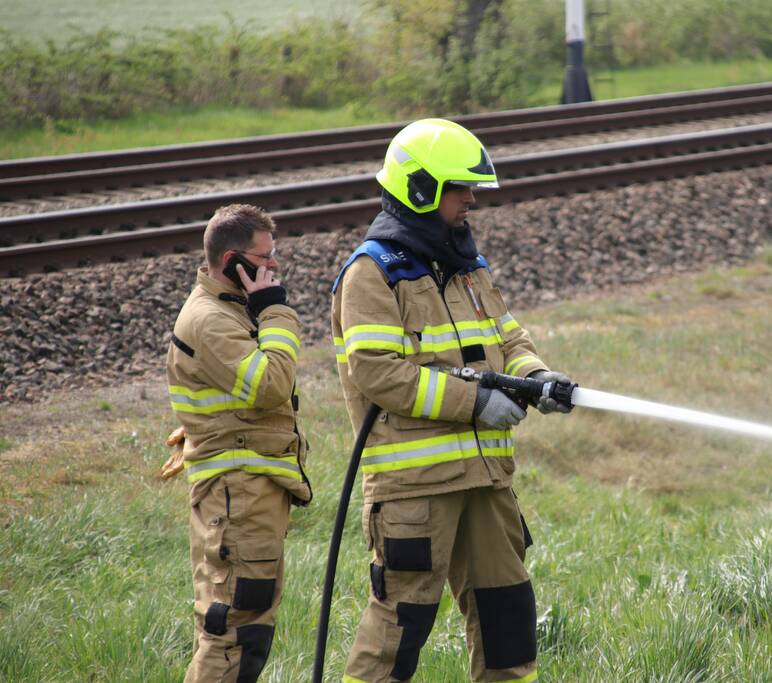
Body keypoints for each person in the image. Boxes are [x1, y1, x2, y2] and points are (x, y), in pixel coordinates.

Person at [330, 118, 572, 683]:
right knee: (401, 624)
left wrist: (537, 377)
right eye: (459, 188)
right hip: (417, 486)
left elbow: (508, 337)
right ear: (419, 190)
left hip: (485, 479)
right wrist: (475, 403)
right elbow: (378, 373)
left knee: (507, 619)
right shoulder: (372, 273)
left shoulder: (467, 265)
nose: (471, 201)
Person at [167, 203, 312, 682]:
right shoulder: (213, 320)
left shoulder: (229, 309)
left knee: (246, 627)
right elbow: (270, 383)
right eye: (264, 259)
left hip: (248, 492)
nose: (273, 267)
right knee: (232, 633)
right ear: (233, 262)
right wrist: (276, 310)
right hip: (237, 495)